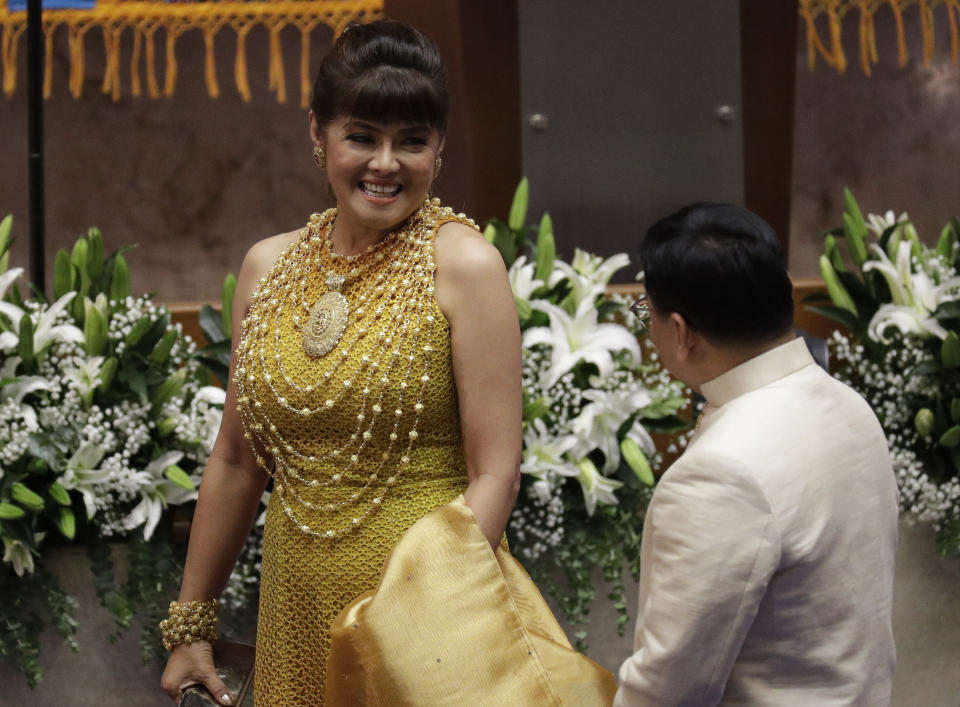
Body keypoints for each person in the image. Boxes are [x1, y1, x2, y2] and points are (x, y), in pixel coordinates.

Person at [161, 21, 614, 707]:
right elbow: (235, 458)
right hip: (294, 604)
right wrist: (192, 622)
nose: (385, 163)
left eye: (412, 141)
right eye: (362, 136)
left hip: (424, 621)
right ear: (318, 133)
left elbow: (496, 471)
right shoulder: (268, 266)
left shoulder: (464, 264)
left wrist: (421, 611)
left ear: (439, 147)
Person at [614, 203, 898, 706]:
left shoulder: (720, 473)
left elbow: (669, 688)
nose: (649, 329)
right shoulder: (848, 403)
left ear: (680, 333)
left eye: (647, 315)